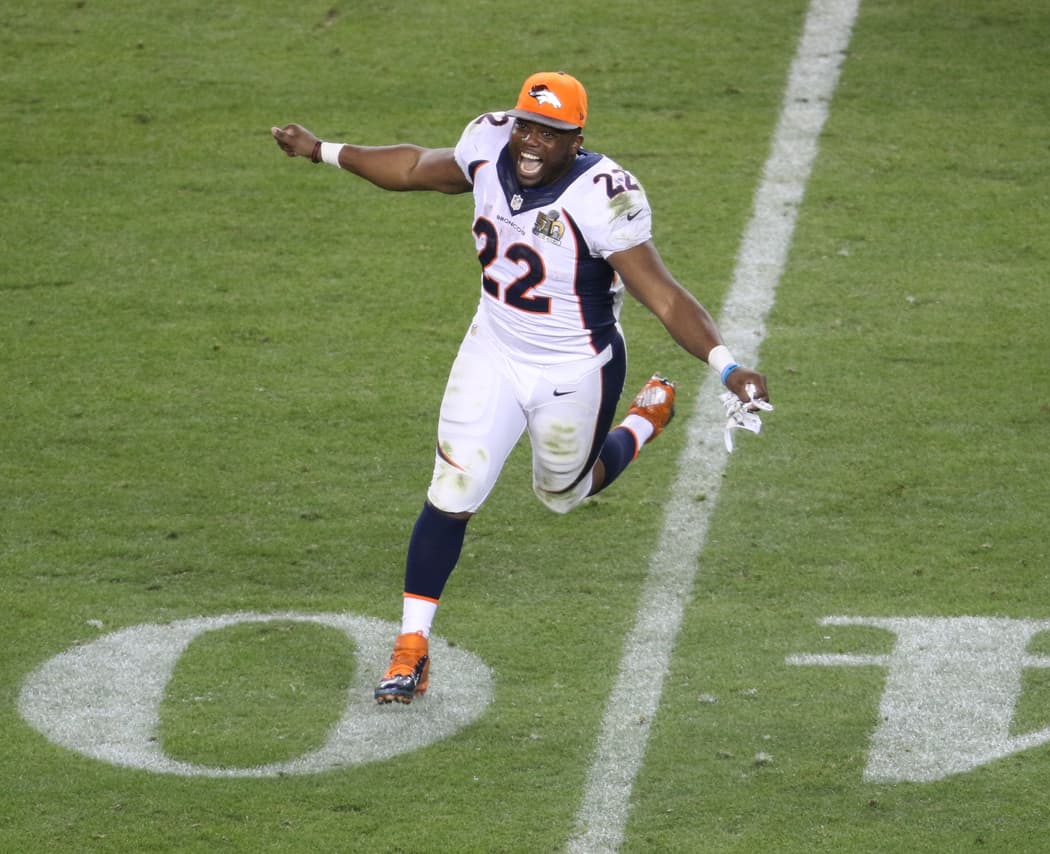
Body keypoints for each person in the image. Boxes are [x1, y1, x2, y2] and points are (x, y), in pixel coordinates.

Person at [271, 71, 770, 705]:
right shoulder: (488, 141)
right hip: (494, 350)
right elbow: (415, 168)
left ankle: (643, 420)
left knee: (563, 492)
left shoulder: (603, 195)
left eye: (551, 133)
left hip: (575, 369)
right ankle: (411, 649)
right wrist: (324, 151)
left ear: (576, 137)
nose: (532, 142)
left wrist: (728, 366)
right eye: (528, 125)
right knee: (452, 490)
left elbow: (665, 297)